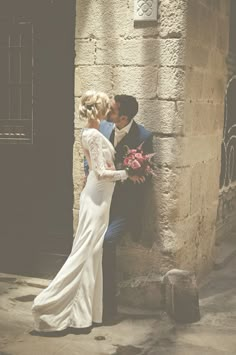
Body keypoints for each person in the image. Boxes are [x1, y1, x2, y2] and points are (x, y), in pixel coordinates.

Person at [31, 90, 135, 333]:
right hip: (97, 198)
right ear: (99, 111)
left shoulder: (89, 133)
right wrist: (127, 173)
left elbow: (93, 171)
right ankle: (54, 306)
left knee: (93, 254)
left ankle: (86, 314)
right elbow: (100, 172)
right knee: (87, 253)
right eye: (107, 108)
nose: (110, 111)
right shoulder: (94, 136)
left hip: (98, 196)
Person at [94, 95, 153, 321]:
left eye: (113, 110)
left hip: (123, 207)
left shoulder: (144, 136)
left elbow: (145, 177)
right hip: (100, 199)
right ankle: (91, 302)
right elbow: (89, 161)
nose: (108, 111)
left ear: (124, 117)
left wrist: (132, 171)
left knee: (107, 241)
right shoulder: (102, 127)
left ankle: (109, 307)